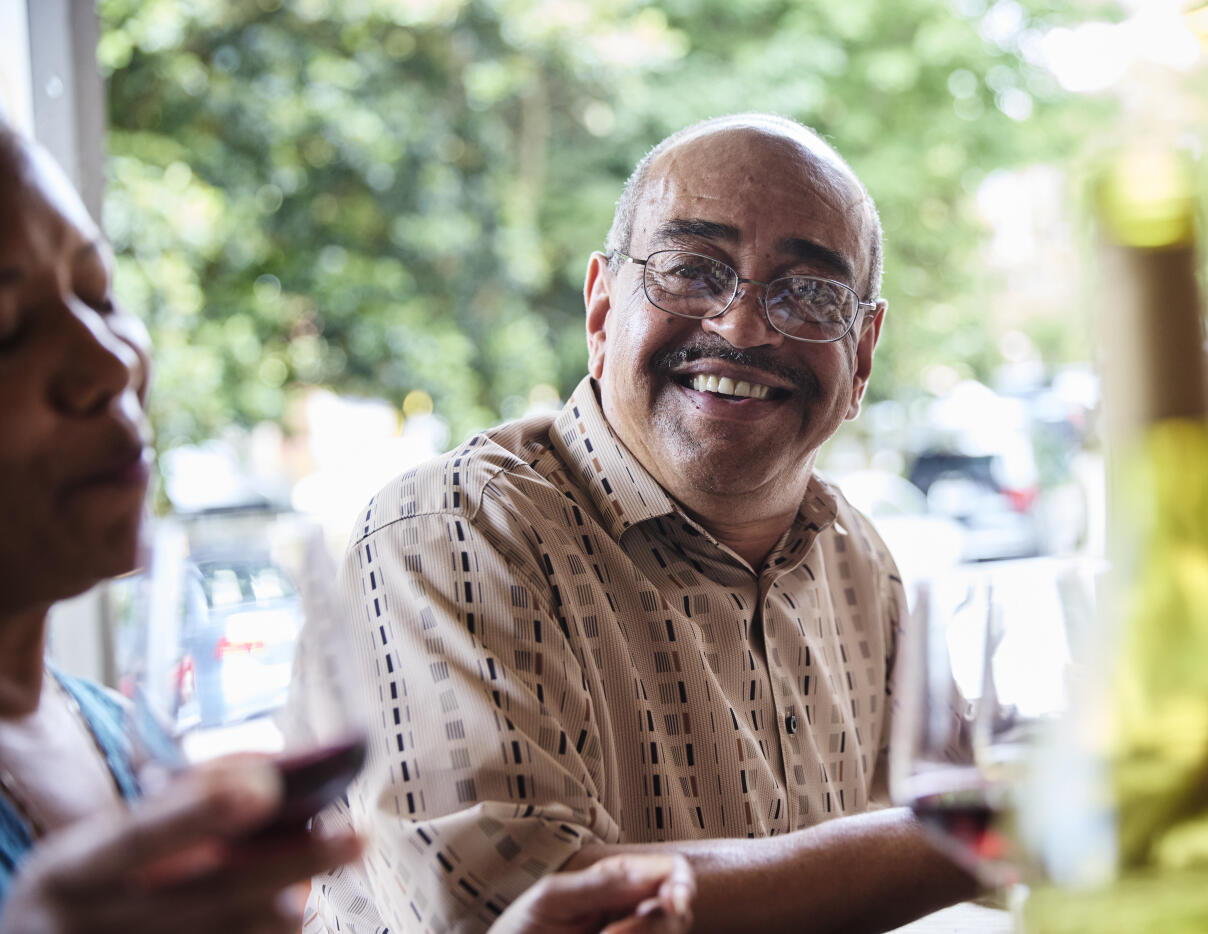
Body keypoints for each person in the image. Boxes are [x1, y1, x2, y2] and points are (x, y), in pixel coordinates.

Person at [0, 123, 693, 934]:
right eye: (8, 328)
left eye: (98, 293)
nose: (110, 361)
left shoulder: (127, 742)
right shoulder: (450, 530)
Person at [304, 113, 975, 934]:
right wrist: (971, 835)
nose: (741, 327)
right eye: (693, 270)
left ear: (862, 353)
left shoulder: (860, 562)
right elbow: (517, 912)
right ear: (601, 310)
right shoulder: (449, 532)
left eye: (810, 293)